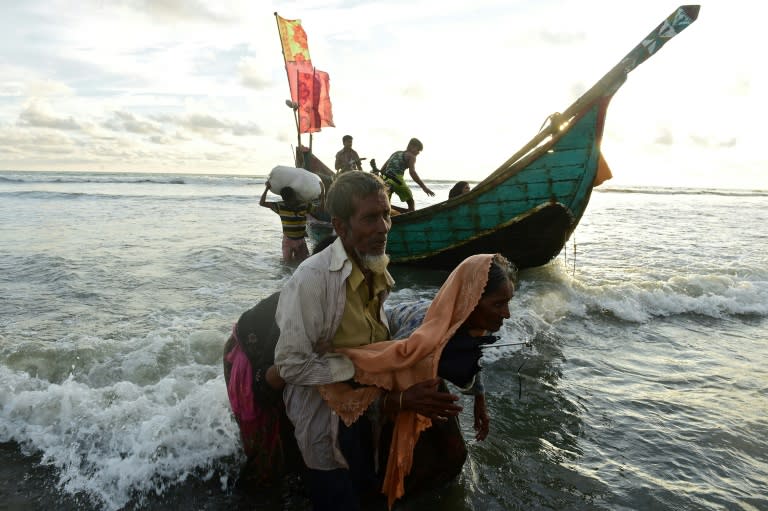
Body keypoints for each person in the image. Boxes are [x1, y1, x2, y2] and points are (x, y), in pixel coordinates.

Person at [270, 171, 462, 511]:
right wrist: (357, 366)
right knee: (339, 496)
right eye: (371, 218)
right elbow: (290, 365)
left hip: (366, 411)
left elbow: (377, 339)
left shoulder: (374, 268)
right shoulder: (313, 281)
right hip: (325, 420)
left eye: (386, 214)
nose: (384, 227)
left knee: (366, 487)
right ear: (341, 226)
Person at [320, 253, 515, 507]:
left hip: (424, 369)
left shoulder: (475, 324)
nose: (507, 314)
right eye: (499, 305)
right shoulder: (419, 336)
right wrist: (402, 401)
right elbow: (382, 373)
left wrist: (480, 400)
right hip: (390, 361)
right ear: (471, 301)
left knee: (452, 452)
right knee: (393, 459)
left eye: (508, 303)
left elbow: (472, 356)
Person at [260, 181, 317, 264]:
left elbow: (262, 203)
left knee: (289, 264)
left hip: (294, 240)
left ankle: (287, 277)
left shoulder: (282, 206)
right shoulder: (302, 205)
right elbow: (321, 208)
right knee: (298, 264)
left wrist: (267, 189)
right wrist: (322, 193)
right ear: (294, 195)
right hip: (294, 240)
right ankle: (289, 277)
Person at [380, 138, 434, 212]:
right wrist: (424, 187)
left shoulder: (396, 153)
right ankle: (410, 216)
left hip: (385, 179)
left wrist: (383, 180)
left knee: (386, 204)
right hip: (397, 180)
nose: (418, 153)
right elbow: (412, 173)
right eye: (418, 150)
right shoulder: (412, 156)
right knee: (411, 203)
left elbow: (382, 169)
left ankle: (389, 213)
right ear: (411, 146)